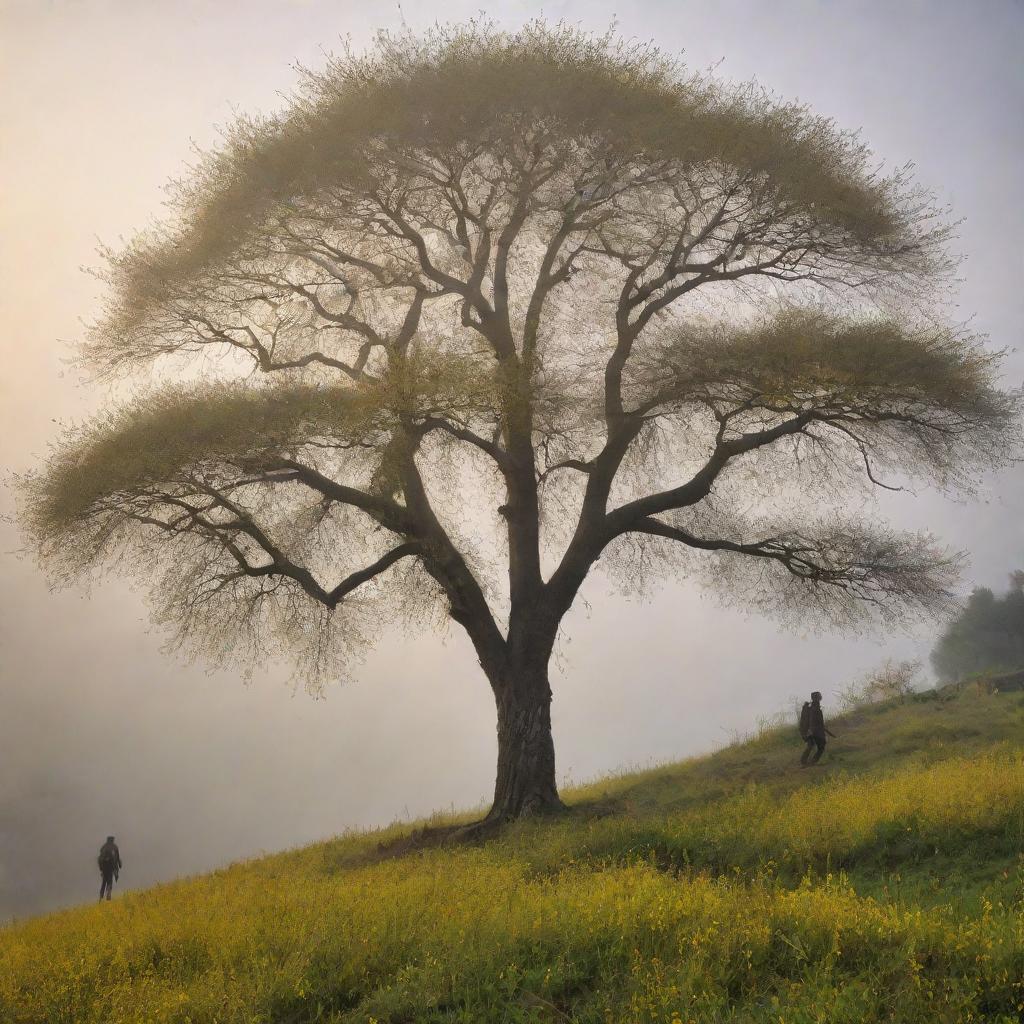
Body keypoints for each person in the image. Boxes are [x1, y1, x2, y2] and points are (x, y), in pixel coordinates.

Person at [799, 691, 836, 766]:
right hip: (814, 731)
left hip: (809, 730)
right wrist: (812, 731)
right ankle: (810, 762)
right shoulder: (814, 708)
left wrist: (828, 732)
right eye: (819, 695)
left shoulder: (812, 707)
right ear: (817, 698)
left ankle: (805, 761)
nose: (821, 696)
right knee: (821, 746)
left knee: (812, 745)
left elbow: (818, 722)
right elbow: (813, 721)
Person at [98, 836, 122, 901]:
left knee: (104, 882)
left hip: (104, 868)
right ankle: (108, 893)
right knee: (109, 880)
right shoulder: (115, 847)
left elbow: (100, 859)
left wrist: (101, 869)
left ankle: (101, 896)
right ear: (112, 840)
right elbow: (117, 858)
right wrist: (119, 865)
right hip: (111, 866)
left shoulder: (103, 847)